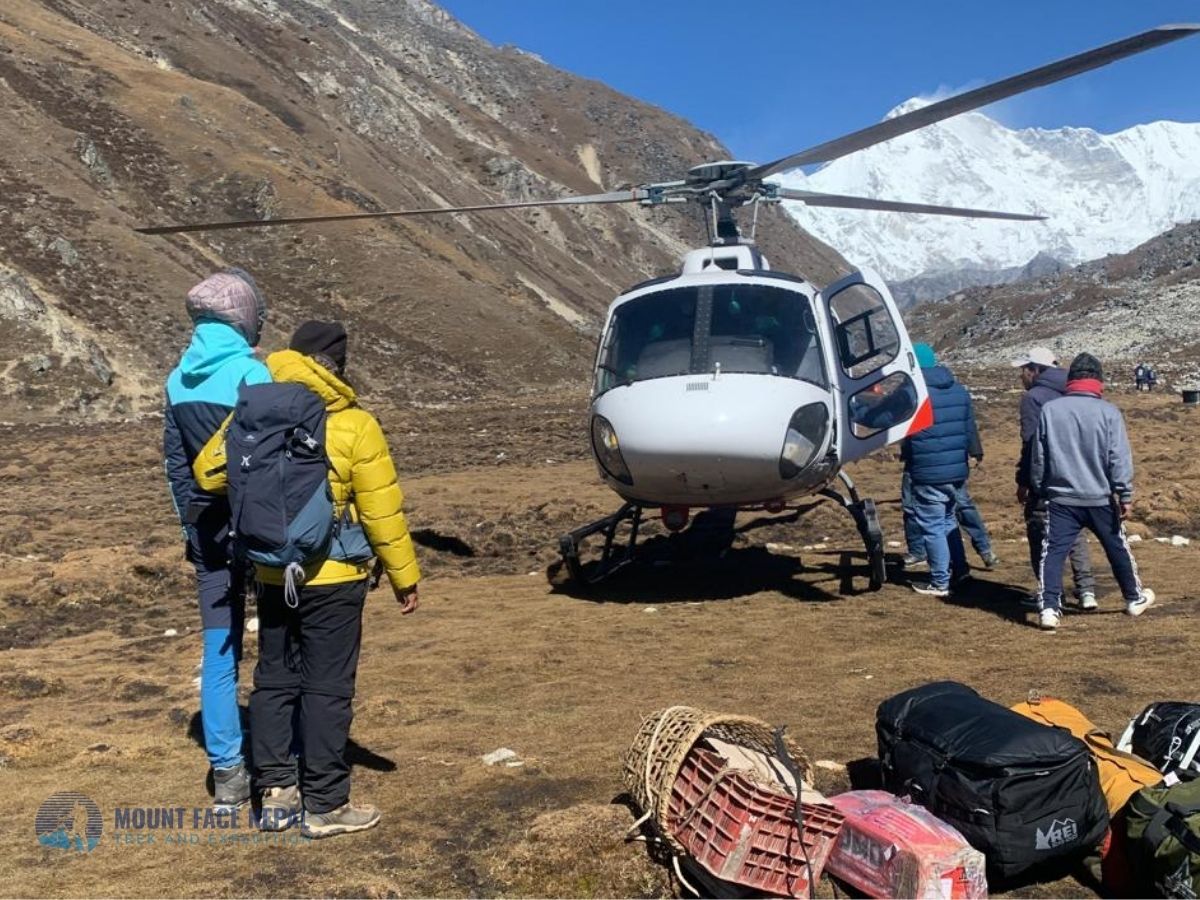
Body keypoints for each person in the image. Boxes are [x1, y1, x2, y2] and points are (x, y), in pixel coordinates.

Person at [195, 321, 421, 839]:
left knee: (274, 681)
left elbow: (209, 474)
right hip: (335, 576)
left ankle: (275, 796)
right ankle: (326, 803)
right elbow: (381, 508)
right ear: (336, 366)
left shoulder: (253, 408)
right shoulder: (354, 423)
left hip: (273, 574)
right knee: (328, 687)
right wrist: (404, 576)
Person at [163, 269, 270, 809]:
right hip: (261, 533)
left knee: (219, 648)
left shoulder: (177, 379)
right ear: (244, 319)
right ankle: (281, 760)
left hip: (207, 534)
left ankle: (227, 773)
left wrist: (192, 525)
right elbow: (274, 463)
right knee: (278, 644)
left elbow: (175, 467)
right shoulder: (252, 374)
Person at [1030, 352, 1155, 631]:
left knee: (1053, 552)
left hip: (1061, 497)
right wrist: (1125, 495)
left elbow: (1039, 456)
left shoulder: (1051, 410)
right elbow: (1118, 457)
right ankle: (1133, 598)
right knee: (1117, 547)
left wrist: (1039, 486)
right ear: (1098, 381)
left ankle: (1049, 607)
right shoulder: (1109, 412)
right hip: (1099, 496)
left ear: (1071, 379)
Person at [1011, 348, 1095, 609]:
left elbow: (1030, 443)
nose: (1021, 375)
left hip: (1045, 474)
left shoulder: (1033, 398)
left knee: (1040, 531)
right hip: (1079, 471)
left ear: (1034, 369)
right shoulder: (1075, 390)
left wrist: (1023, 480)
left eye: (1023, 370)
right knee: (1075, 530)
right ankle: (1086, 590)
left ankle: (1051, 594)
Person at [902, 343, 974, 597]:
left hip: (928, 470)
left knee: (932, 525)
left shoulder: (916, 393)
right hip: (956, 469)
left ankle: (940, 581)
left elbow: (883, 416)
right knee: (947, 521)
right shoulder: (959, 390)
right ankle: (961, 569)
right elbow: (969, 429)